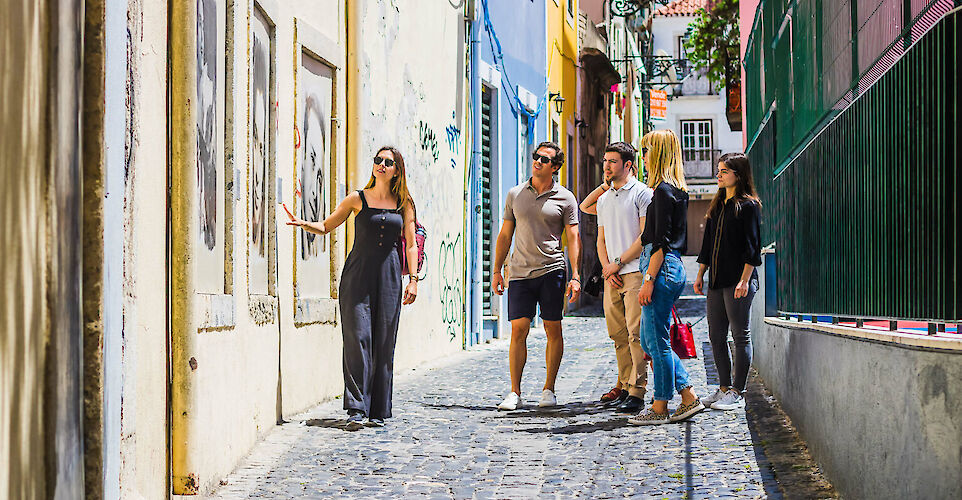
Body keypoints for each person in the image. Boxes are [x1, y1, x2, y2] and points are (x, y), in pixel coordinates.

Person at [283, 146, 419, 428]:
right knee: (357, 339)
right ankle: (356, 408)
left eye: (388, 162)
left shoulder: (404, 203)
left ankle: (378, 410)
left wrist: (414, 279)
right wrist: (303, 223)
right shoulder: (356, 199)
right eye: (378, 160)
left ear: (397, 170)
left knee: (384, 343)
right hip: (357, 278)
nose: (381, 165)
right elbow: (326, 225)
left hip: (391, 279)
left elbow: (411, 243)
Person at [491, 141, 581, 411]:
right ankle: (515, 392)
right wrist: (497, 269)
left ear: (555, 166)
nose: (537, 162)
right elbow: (505, 234)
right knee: (519, 329)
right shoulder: (515, 193)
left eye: (544, 159)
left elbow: (573, 238)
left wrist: (575, 275)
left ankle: (549, 389)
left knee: (553, 328)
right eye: (536, 157)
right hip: (519, 272)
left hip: (552, 270)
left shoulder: (565, 198)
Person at [628, 129, 704, 426]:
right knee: (650, 341)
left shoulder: (661, 190)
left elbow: (660, 241)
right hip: (671, 267)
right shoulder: (676, 190)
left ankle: (660, 406)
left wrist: (648, 279)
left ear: (657, 154)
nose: (642, 157)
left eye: (645, 151)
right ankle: (687, 396)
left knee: (655, 342)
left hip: (660, 266)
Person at [580, 143, 653, 412]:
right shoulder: (604, 198)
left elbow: (644, 238)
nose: (607, 166)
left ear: (628, 165)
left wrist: (619, 262)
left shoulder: (643, 194)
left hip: (634, 272)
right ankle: (624, 384)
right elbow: (599, 237)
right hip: (612, 275)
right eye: (605, 161)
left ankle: (638, 390)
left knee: (636, 334)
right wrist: (606, 268)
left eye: (612, 161)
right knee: (618, 335)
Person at [694, 152, 762, 411]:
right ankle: (723, 388)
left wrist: (744, 281)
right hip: (716, 281)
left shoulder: (749, 206)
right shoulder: (718, 205)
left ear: (738, 174)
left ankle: (738, 392)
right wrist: (700, 274)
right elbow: (707, 245)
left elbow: (752, 248)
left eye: (724, 171)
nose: (718, 175)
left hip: (738, 282)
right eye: (718, 170)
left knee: (740, 335)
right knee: (716, 335)